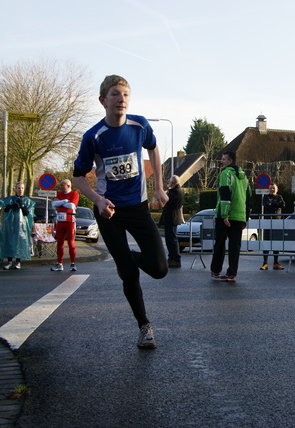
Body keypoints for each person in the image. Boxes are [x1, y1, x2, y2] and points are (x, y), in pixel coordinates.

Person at [72, 74, 168, 349]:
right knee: (128, 273)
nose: (121, 99)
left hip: (137, 208)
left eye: (125, 94)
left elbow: (153, 149)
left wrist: (159, 187)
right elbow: (78, 177)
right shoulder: (93, 136)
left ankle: (124, 257)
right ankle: (144, 326)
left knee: (159, 269)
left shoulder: (140, 125)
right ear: (103, 100)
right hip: (109, 211)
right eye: (115, 94)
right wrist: (97, 200)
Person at [210, 151, 251, 282]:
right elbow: (249, 199)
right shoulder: (244, 177)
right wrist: (245, 217)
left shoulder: (225, 173)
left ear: (230, 161)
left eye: (223, 159)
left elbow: (225, 195)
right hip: (239, 216)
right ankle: (232, 273)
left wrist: (225, 215)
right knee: (235, 246)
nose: (221, 161)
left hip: (225, 215)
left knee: (220, 243)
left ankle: (216, 271)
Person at [2, 181, 35, 270]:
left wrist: (21, 205)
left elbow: (27, 213)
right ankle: (9, 261)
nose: (20, 190)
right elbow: (5, 210)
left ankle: (18, 261)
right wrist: (12, 205)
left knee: (19, 241)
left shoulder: (27, 201)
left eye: (22, 188)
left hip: (22, 225)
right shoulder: (10, 199)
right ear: (15, 189)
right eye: (19, 188)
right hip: (11, 223)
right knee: (10, 241)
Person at [51, 179, 79, 272]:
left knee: (71, 243)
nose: (61, 186)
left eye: (63, 185)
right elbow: (54, 204)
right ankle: (59, 263)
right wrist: (65, 201)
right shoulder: (59, 194)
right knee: (59, 243)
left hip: (70, 221)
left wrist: (61, 203)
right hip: (60, 221)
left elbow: (72, 206)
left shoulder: (74, 194)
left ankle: (73, 264)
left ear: (68, 185)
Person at [260, 183, 285, 271]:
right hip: (267, 222)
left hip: (277, 222)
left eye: (273, 188)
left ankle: (276, 263)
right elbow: (266, 205)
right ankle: (265, 263)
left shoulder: (279, 197)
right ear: (268, 189)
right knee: (266, 242)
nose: (272, 190)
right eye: (271, 188)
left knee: (276, 243)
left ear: (277, 189)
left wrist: (272, 203)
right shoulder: (265, 197)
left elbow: (282, 205)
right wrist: (275, 204)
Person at [161, 175, 184, 268]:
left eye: (170, 181)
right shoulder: (177, 191)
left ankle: (175, 258)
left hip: (171, 217)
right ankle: (172, 257)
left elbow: (166, 202)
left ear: (173, 182)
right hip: (173, 217)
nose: (169, 183)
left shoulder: (175, 192)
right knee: (170, 238)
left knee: (171, 239)